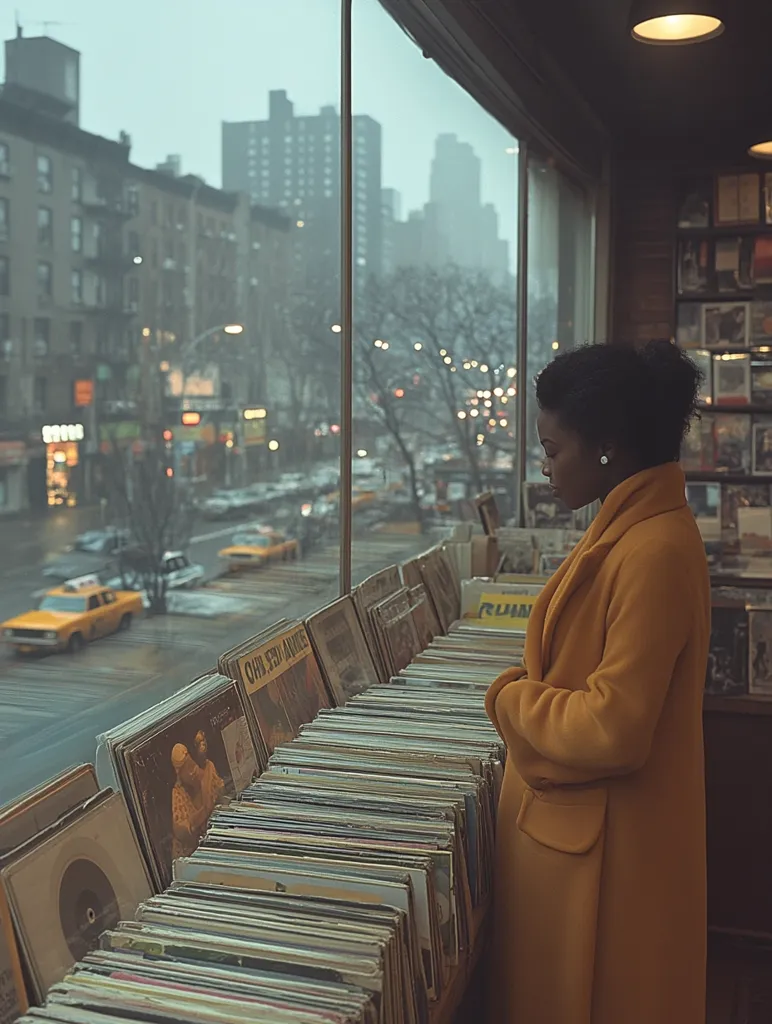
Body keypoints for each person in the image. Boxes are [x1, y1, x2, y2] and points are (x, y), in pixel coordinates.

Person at [485, 340, 709, 1024]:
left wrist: (510, 698)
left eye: (553, 451)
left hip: (607, 866)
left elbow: (615, 728)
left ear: (606, 446)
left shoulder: (652, 550)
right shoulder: (630, 528)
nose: (544, 468)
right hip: (588, 845)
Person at [170, 742, 208, 860]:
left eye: (193, 765)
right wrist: (206, 810)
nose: (193, 771)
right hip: (189, 856)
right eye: (189, 768)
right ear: (180, 773)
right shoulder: (178, 793)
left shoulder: (199, 781)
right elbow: (182, 829)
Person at [192, 728, 225, 816]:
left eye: (205, 743)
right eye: (201, 744)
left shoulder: (210, 765)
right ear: (196, 747)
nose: (204, 747)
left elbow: (218, 786)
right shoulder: (194, 771)